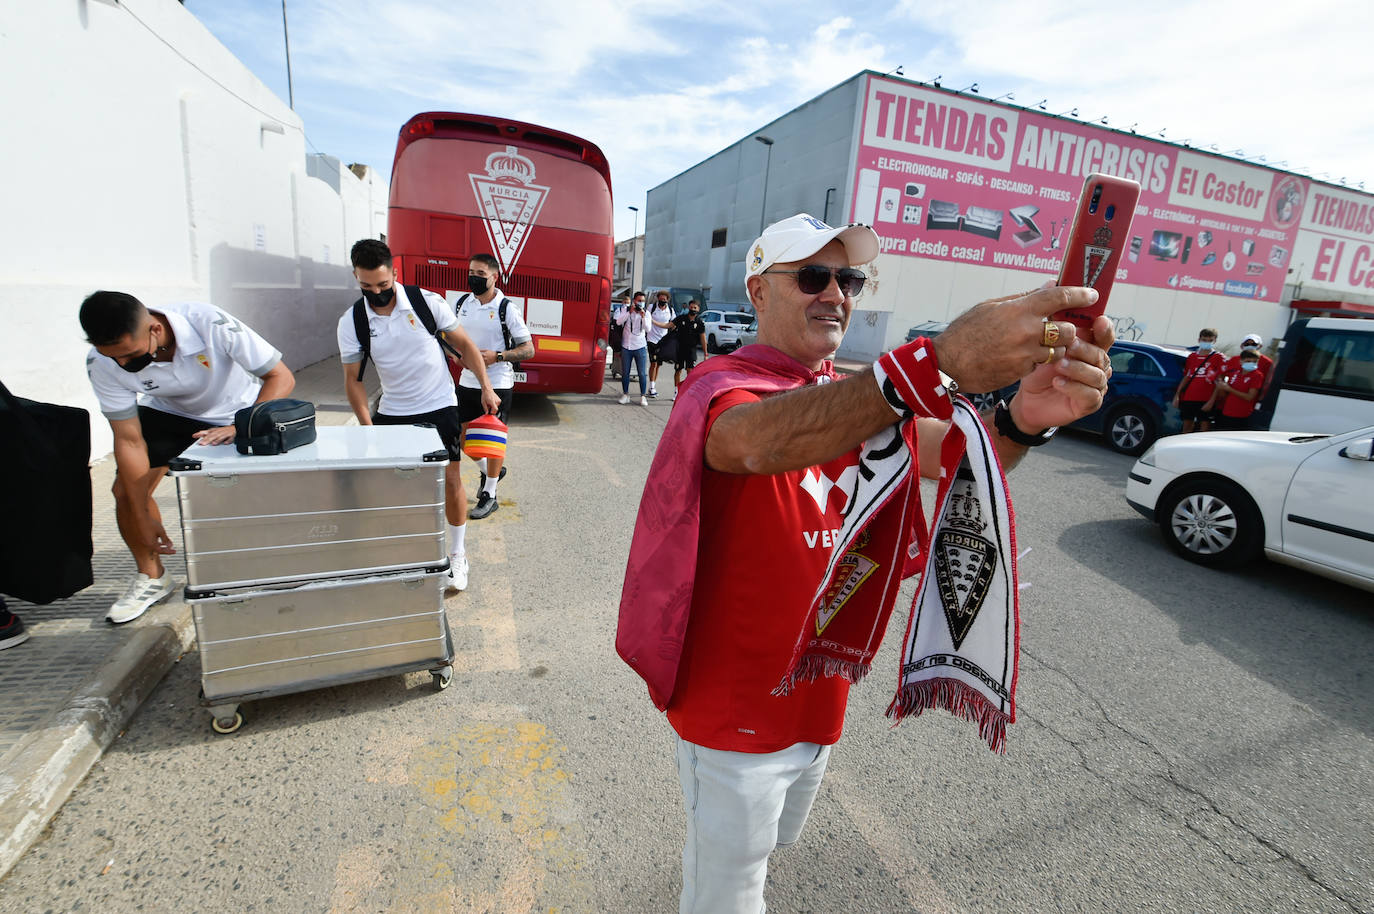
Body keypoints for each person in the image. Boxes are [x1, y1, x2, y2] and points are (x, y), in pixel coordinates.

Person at [616, 213, 1113, 913]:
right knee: (726, 892)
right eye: (813, 276)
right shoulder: (722, 386)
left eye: (848, 279)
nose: (836, 295)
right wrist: (933, 362)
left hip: (821, 697)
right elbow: (751, 443)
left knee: (774, 850)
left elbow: (967, 457)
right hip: (734, 708)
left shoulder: (858, 394)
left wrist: (1028, 418)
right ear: (757, 291)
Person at [81, 291, 296, 623]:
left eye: (131, 356)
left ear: (154, 329)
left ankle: (259, 573)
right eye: (115, 358)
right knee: (125, 493)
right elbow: (128, 439)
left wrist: (241, 426)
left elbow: (281, 377)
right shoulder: (102, 362)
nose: (124, 365)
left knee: (238, 499)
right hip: (168, 413)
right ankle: (152, 577)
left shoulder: (209, 323)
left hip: (236, 412)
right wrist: (142, 516)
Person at [339, 239, 499, 592]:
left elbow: (465, 346)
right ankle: (406, 553)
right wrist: (369, 430)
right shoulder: (352, 321)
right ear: (356, 278)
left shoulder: (426, 302)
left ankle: (457, 555)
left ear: (395, 273)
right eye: (367, 287)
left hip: (440, 404)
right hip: (394, 411)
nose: (377, 293)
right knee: (395, 488)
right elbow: (353, 380)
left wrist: (486, 388)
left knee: (451, 480)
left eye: (383, 285)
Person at [450, 253, 535, 520]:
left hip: (498, 382)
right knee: (463, 437)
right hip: (467, 381)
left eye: (480, 274)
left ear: (494, 277)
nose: (474, 278)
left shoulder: (506, 308)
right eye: (471, 273)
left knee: (492, 441)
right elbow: (452, 338)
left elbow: (528, 349)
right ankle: (492, 471)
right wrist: (455, 354)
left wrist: (497, 356)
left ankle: (490, 494)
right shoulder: (463, 303)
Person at [1172, 328, 1225, 433]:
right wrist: (1177, 395)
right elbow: (1187, 376)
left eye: (1210, 340)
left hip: (1206, 398)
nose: (1207, 343)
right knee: (1186, 426)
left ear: (1214, 341)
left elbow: (1220, 381)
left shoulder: (1219, 357)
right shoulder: (1192, 356)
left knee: (1204, 428)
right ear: (1199, 340)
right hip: (1189, 397)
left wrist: (1211, 401)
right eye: (1204, 340)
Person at [1207, 349, 1265, 429]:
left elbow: (1250, 397)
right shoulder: (1236, 373)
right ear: (1241, 361)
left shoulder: (1257, 375)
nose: (1251, 364)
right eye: (1248, 361)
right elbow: (1225, 394)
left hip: (1241, 415)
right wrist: (1221, 387)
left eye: (1254, 362)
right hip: (1227, 412)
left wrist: (1229, 389)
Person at [669, 299, 708, 400]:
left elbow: (703, 339)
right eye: (691, 307)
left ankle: (687, 392)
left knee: (690, 372)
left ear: (698, 309)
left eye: (695, 308)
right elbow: (669, 325)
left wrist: (706, 353)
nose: (693, 309)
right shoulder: (682, 318)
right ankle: (676, 391)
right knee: (678, 370)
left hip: (691, 350)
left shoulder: (699, 322)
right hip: (680, 349)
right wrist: (653, 322)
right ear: (688, 308)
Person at [616, 291, 650, 405]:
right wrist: (628, 313)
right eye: (639, 300)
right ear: (634, 301)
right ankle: (625, 395)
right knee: (625, 372)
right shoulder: (626, 310)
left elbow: (648, 329)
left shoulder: (646, 313)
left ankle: (643, 396)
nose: (641, 303)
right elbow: (618, 321)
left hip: (640, 346)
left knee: (641, 373)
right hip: (627, 346)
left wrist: (643, 316)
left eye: (643, 301)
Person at [646, 290, 676, 398]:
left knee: (658, 365)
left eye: (664, 299)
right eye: (661, 299)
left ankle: (652, 386)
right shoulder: (651, 307)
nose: (662, 301)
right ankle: (652, 387)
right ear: (657, 298)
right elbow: (646, 320)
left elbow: (673, 324)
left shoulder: (670, 310)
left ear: (667, 300)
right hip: (652, 339)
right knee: (653, 363)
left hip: (663, 341)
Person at [609, 293, 629, 379]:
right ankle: (616, 368)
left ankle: (623, 369)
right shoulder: (619, 310)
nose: (626, 304)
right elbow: (616, 322)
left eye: (628, 302)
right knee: (618, 352)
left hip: (628, 334)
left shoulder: (631, 310)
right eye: (625, 302)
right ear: (622, 302)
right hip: (620, 333)